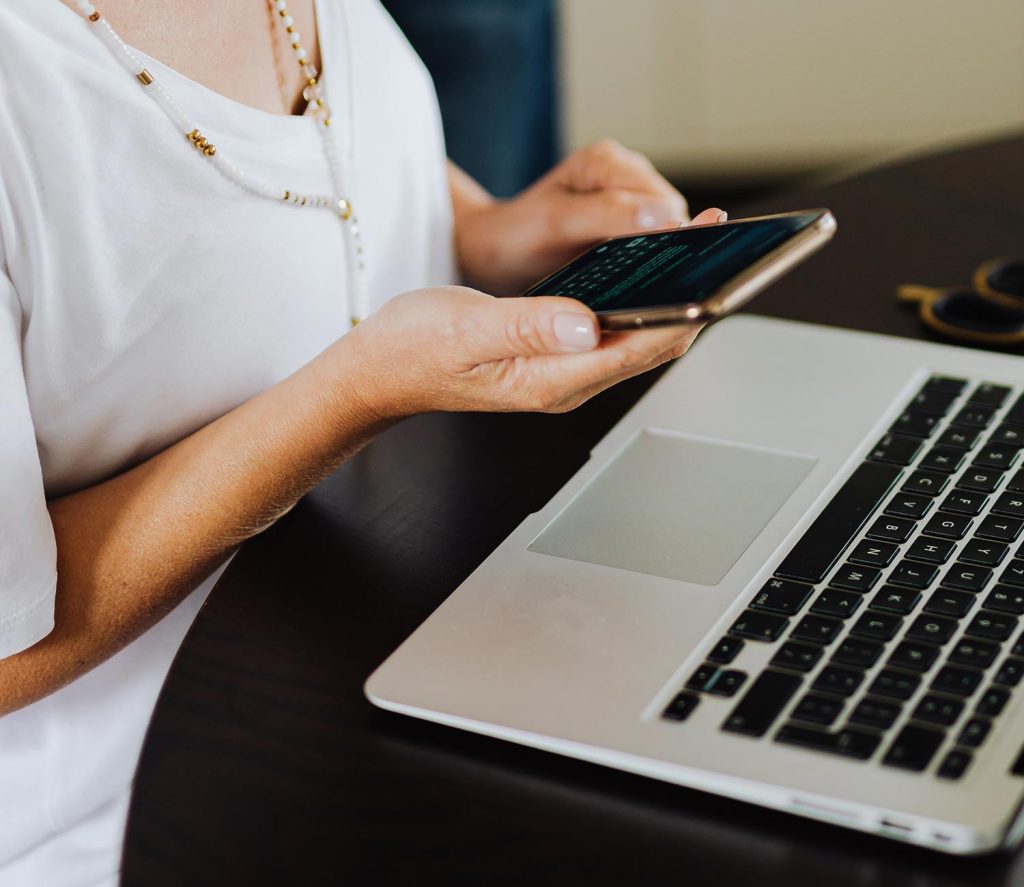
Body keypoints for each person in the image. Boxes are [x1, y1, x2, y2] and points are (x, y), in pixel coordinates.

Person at [0, 0, 724, 883]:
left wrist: (479, 232)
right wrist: (355, 395)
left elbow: (264, 170)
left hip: (398, 663)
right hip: (140, 812)